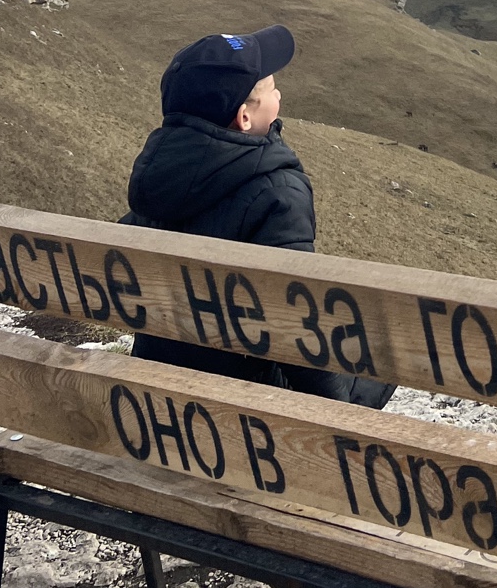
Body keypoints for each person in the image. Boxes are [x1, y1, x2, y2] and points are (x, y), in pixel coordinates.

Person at [121, 24, 394, 407]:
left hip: (158, 389)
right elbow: (296, 328)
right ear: (244, 119)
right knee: (382, 352)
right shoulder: (277, 192)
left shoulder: (157, 179)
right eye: (270, 89)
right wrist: (343, 407)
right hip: (245, 405)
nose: (279, 94)